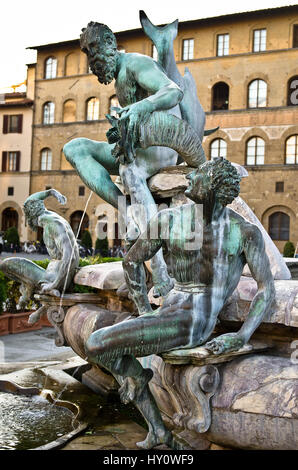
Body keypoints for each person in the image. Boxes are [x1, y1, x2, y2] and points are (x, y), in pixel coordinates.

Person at [85, 157, 275, 449]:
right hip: (167, 313)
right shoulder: (168, 219)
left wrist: (241, 336)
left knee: (97, 343)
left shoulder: (243, 232)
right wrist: (144, 310)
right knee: (106, 343)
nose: (190, 178)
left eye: (198, 174)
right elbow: (131, 260)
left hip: (193, 322)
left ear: (213, 186)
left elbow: (266, 288)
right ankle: (157, 425)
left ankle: (139, 384)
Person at [63, 16, 207, 298]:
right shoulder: (119, 78)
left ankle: (160, 268)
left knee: (130, 171)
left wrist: (142, 107)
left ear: (110, 43)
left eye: (93, 49)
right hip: (140, 148)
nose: (91, 60)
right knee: (75, 148)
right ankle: (128, 209)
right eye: (87, 54)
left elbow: (173, 91)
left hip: (163, 144)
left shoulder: (135, 63)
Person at [0, 189, 79, 323]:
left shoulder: (52, 224)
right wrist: (56, 194)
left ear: (30, 215)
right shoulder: (53, 218)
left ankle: (26, 294)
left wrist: (54, 284)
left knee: (6, 265)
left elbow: (69, 256)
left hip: (55, 277)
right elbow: (49, 191)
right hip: (54, 273)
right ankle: (27, 293)